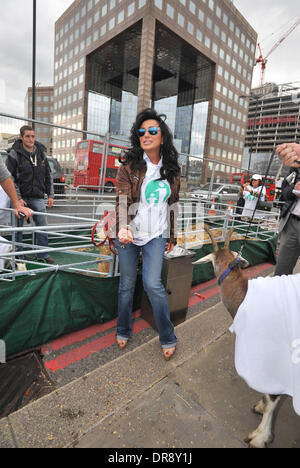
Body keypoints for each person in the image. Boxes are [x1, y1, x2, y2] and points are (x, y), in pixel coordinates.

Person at [115, 108, 181, 360]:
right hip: (128, 234)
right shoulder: (129, 167)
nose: (146, 135)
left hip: (156, 234)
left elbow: (173, 204)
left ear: (162, 137)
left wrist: (172, 236)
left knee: (153, 284)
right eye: (142, 132)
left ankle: (168, 336)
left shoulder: (173, 170)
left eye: (152, 131)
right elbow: (122, 199)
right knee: (126, 286)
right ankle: (123, 329)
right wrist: (123, 226)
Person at [6, 126, 55, 263]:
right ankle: (19, 256)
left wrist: (50, 195)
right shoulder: (14, 154)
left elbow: (48, 175)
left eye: (33, 136)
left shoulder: (41, 154)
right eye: (27, 136)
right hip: (20, 199)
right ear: (21, 137)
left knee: (42, 226)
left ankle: (43, 254)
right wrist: (18, 199)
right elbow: (10, 178)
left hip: (38, 197)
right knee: (18, 229)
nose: (31, 139)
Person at [274, 143, 300, 276]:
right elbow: (284, 190)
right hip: (291, 223)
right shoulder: (295, 167)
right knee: (281, 270)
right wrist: (294, 190)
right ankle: (278, 295)